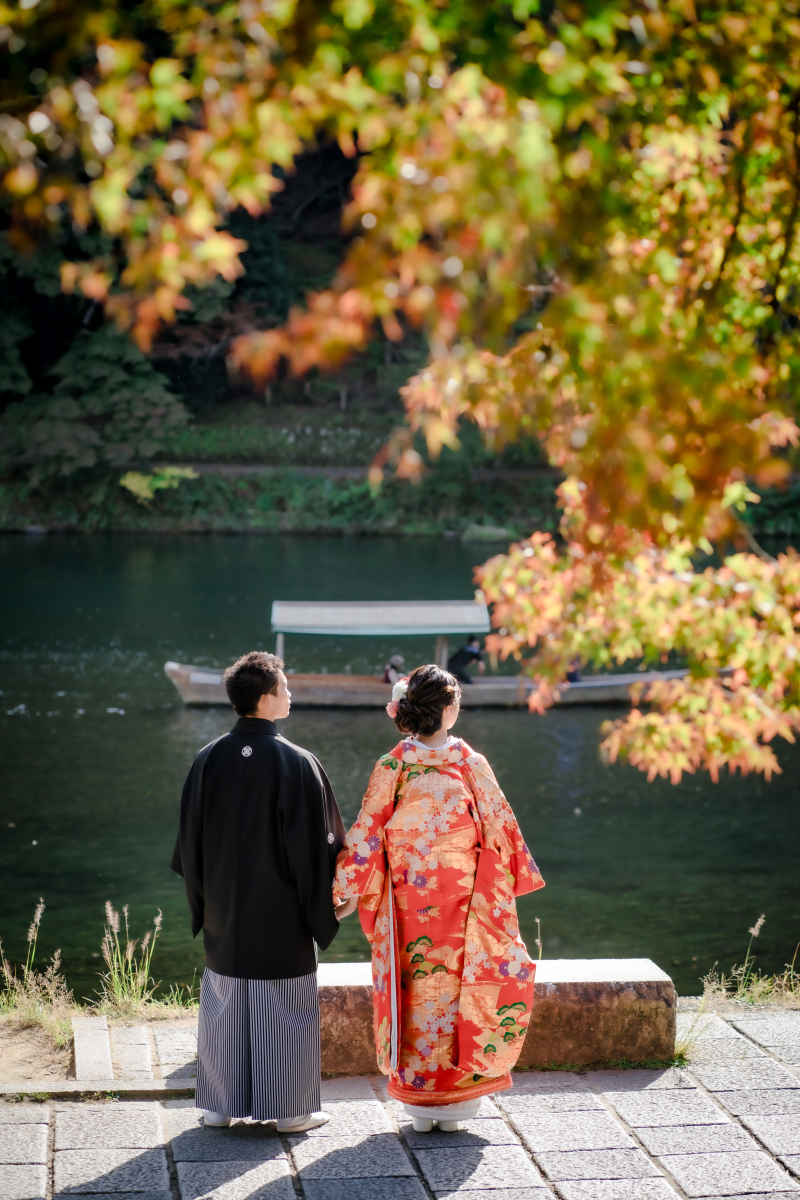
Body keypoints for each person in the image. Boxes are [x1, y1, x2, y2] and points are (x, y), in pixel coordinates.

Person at [332, 664, 544, 1133]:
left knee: (416, 990)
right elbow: (502, 831)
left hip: (411, 905)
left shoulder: (393, 765)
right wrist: (502, 888)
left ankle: (425, 1104)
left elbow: (366, 833)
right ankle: (450, 1104)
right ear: (448, 711)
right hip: (464, 904)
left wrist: (346, 890)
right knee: (455, 990)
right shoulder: (471, 763)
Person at [171, 650, 347, 1132]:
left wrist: (207, 900)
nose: (290, 694)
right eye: (285, 687)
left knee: (224, 1004)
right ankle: (290, 1111)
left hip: (225, 912)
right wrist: (332, 901)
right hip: (282, 914)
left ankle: (217, 1107)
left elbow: (188, 843)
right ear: (267, 698)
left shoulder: (207, 759)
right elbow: (318, 848)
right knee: (285, 1006)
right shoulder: (297, 762)